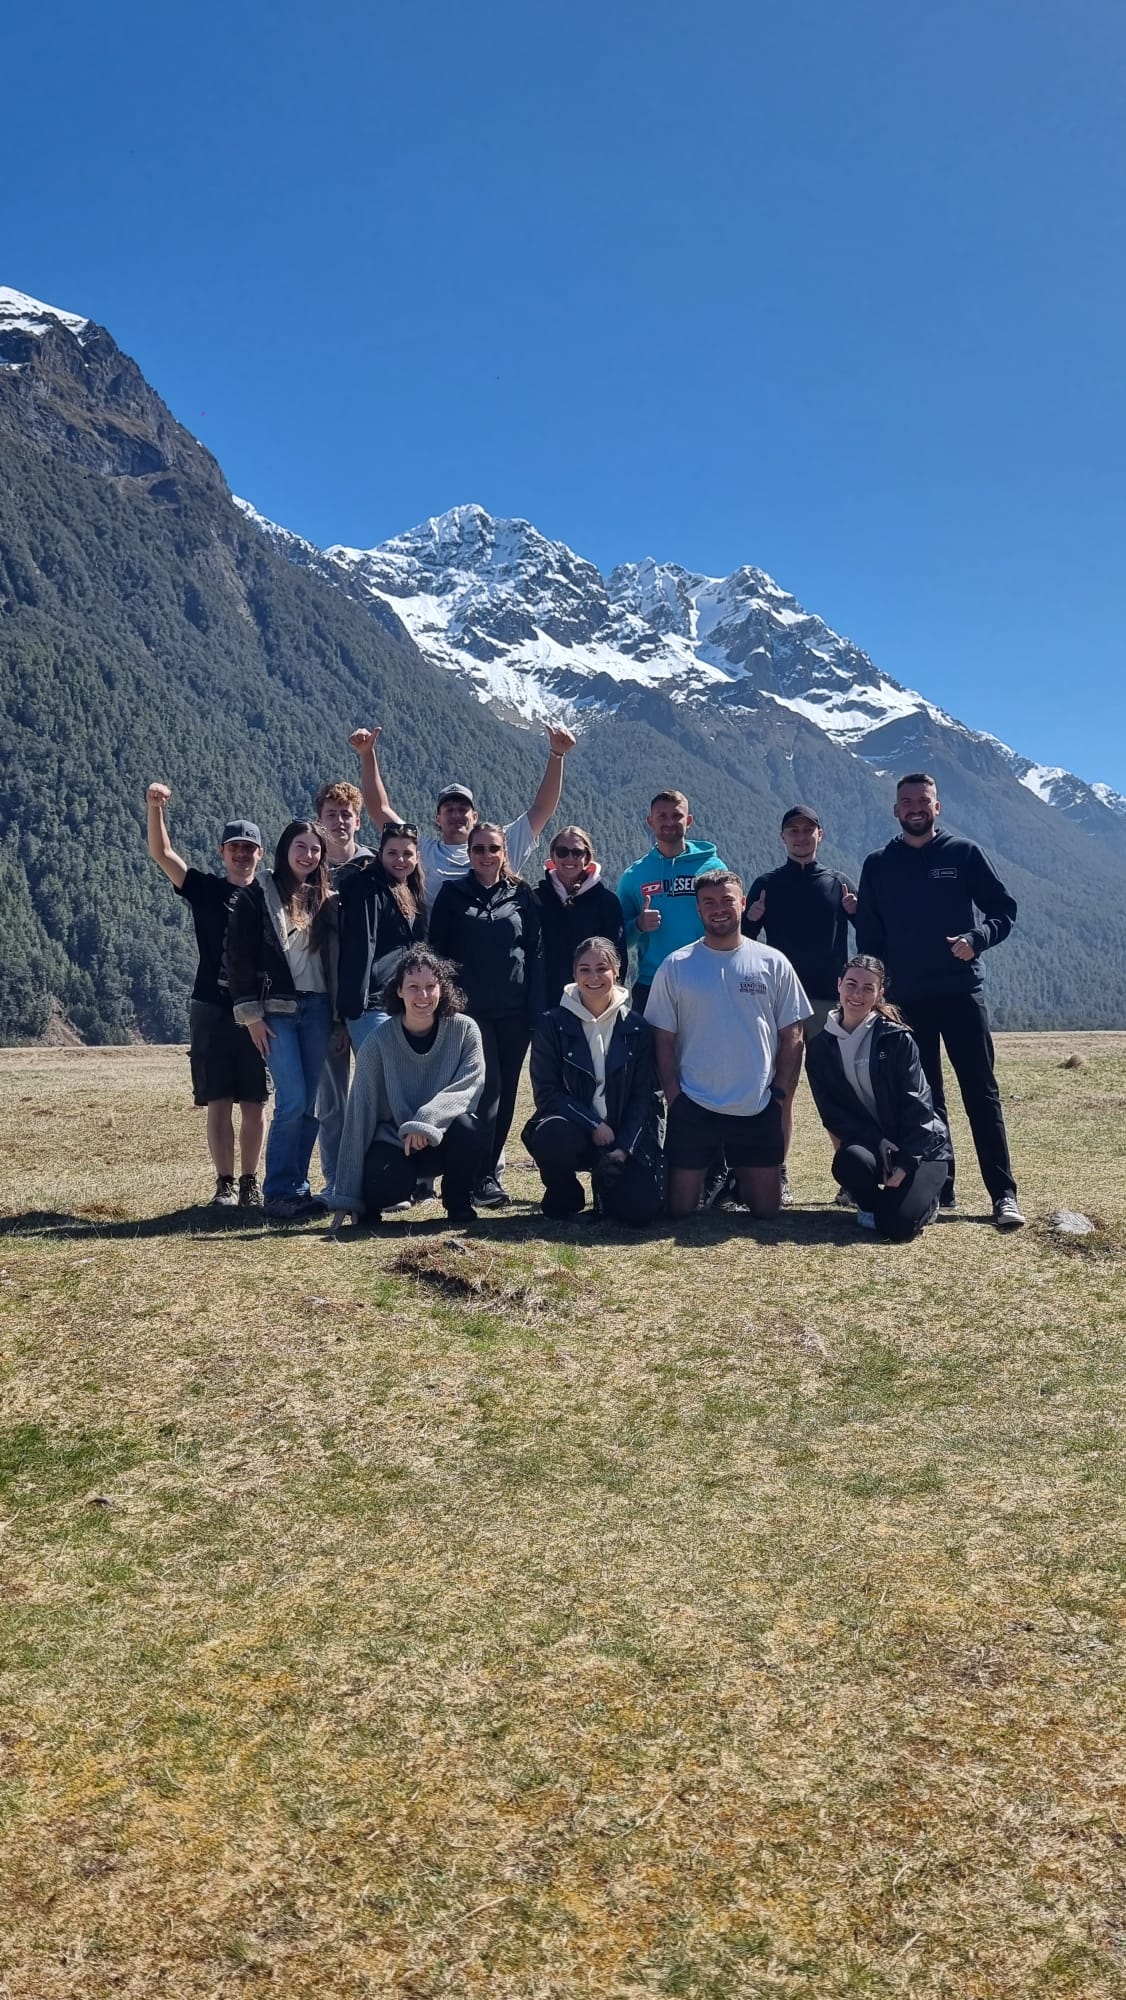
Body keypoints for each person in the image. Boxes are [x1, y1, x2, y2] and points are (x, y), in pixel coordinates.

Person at [855, 773, 1025, 1230]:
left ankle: (1003, 1194)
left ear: (937, 806)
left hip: (961, 992)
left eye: (923, 800)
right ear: (895, 810)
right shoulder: (877, 864)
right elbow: (869, 934)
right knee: (924, 1101)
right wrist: (875, 987)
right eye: (906, 801)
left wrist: (977, 937)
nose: (915, 807)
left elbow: (1003, 911)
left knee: (981, 1093)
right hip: (906, 1000)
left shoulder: (963, 854)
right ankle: (940, 1188)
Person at [645, 871, 809, 1219]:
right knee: (678, 1211)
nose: (719, 909)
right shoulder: (676, 966)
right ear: (699, 910)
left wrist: (778, 1093)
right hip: (694, 1103)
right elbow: (662, 1038)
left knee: (767, 1212)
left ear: (743, 903)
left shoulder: (772, 962)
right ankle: (718, 1181)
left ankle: (734, 1182)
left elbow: (793, 1033)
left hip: (756, 1104)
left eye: (727, 900)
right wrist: (674, 1095)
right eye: (709, 903)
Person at [144, 783, 269, 1210]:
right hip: (210, 1007)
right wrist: (154, 808)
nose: (242, 854)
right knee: (218, 1099)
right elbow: (163, 855)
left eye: (249, 847)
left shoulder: (271, 897)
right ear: (221, 852)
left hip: (258, 1011)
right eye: (235, 847)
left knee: (255, 1101)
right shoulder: (205, 889)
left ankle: (252, 1182)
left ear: (261, 854)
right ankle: (225, 1184)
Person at [743, 805, 858, 1202]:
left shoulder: (839, 883)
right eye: (793, 830)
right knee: (781, 1089)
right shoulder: (767, 884)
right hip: (782, 1001)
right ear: (782, 837)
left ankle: (851, 1176)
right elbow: (740, 942)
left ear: (820, 835)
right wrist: (750, 918)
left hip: (829, 1000)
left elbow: (872, 934)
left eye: (808, 830)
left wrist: (857, 915)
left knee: (835, 1089)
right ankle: (777, 1173)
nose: (801, 836)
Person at [227, 820, 341, 1221]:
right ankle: (277, 1191)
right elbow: (238, 960)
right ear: (284, 848)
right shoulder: (256, 895)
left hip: (319, 1009)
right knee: (291, 1099)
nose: (308, 855)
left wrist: (339, 1017)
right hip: (276, 1011)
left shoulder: (326, 899)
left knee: (308, 1103)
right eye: (301, 846)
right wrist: (251, 1017)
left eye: (315, 849)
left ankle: (297, 1188)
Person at [428, 823, 543, 1207]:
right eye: (478, 848)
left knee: (507, 1091)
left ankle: (487, 1173)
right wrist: (444, 1005)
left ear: (504, 852)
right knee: (486, 1090)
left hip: (514, 1010)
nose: (485, 855)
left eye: (493, 848)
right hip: (470, 1011)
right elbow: (437, 953)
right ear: (469, 853)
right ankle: (475, 1176)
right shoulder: (452, 893)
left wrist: (536, 1008)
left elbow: (535, 951)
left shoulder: (522, 895)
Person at [330, 949, 486, 1229]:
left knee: (471, 1128)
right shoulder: (378, 1042)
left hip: (444, 1138)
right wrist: (346, 1195)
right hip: (396, 1143)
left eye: (430, 987)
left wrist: (425, 1121)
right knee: (382, 1185)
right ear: (399, 991)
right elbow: (359, 1116)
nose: (423, 996)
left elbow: (469, 1086)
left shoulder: (465, 1030)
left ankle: (458, 1202)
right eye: (413, 987)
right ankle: (372, 1203)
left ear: (443, 988)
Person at [805, 955, 952, 1239]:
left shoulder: (896, 1039)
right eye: (851, 984)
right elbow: (833, 1114)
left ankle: (923, 1202)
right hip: (876, 1145)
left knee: (897, 1227)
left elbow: (919, 1106)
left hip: (922, 1148)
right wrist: (876, 1141)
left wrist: (907, 1162)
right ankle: (871, 1204)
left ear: (879, 993)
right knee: (849, 1162)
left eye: (867, 988)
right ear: (838, 986)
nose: (857, 994)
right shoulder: (820, 1047)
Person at [347, 721, 577, 901]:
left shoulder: (500, 846)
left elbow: (541, 809)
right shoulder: (421, 850)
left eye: (463, 809)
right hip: (436, 957)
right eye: (449, 809)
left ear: (475, 817)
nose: (456, 814)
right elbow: (380, 809)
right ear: (438, 819)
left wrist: (557, 755)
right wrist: (367, 754)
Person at [523, 936, 663, 1224]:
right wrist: (593, 1124)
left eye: (602, 968)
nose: (594, 977)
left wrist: (624, 1147)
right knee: (551, 1135)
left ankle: (608, 1187)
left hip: (621, 1133)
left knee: (641, 1213)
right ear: (574, 974)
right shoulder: (552, 1024)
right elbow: (548, 1093)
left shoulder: (637, 1027)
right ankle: (565, 1197)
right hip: (574, 1131)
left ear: (617, 972)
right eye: (584, 969)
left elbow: (644, 1095)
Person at [312, 778, 375, 1203]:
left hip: (368, 1000)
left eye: (346, 814)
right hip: (319, 998)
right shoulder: (306, 867)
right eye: (331, 814)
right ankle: (334, 1178)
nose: (339, 821)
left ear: (359, 819)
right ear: (319, 821)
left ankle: (381, 1177)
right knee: (331, 1102)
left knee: (377, 1093)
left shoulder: (375, 865)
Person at [616, 791, 727, 1013]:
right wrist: (638, 925)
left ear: (689, 820)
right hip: (653, 982)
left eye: (676, 816)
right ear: (650, 822)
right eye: (662, 816)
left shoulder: (713, 868)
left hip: (705, 978)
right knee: (652, 1049)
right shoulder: (634, 876)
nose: (669, 822)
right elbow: (620, 941)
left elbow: (729, 924)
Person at [337, 821, 428, 1051]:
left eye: (407, 854)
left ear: (417, 857)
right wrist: (356, 1006)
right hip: (372, 1005)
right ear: (381, 854)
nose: (400, 860)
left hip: (399, 1002)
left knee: (395, 1080)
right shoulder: (368, 888)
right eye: (392, 853)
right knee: (382, 1081)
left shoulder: (410, 890)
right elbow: (360, 944)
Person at [533, 826, 627, 1009]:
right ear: (552, 856)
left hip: (593, 1003)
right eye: (562, 852)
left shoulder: (607, 902)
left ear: (587, 858)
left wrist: (610, 1003)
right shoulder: (535, 899)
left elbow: (618, 956)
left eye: (577, 853)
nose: (569, 858)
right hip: (545, 1004)